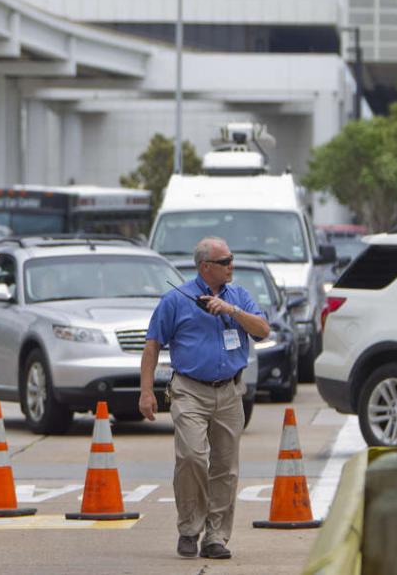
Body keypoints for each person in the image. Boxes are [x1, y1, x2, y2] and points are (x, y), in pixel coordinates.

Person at [138, 237, 269, 560]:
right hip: (189, 389)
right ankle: (188, 528)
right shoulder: (175, 300)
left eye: (231, 259)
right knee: (192, 457)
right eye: (225, 261)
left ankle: (216, 536)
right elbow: (152, 344)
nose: (231, 266)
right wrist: (145, 392)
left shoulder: (239, 296)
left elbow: (263, 330)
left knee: (225, 467)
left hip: (229, 390)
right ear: (205, 266)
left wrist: (232, 310)